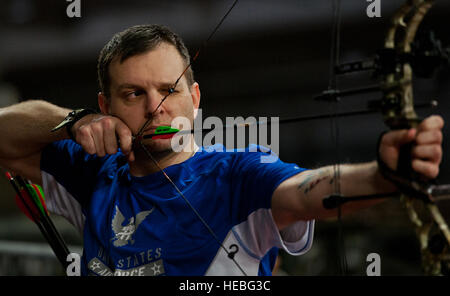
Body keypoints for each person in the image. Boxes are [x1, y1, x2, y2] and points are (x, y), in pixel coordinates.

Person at [0, 24, 444, 276]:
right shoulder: (92, 171)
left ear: (194, 99)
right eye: (133, 94)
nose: (154, 107)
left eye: (168, 90)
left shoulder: (239, 174)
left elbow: (308, 191)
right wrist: (74, 121)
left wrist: (383, 175)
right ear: (106, 106)